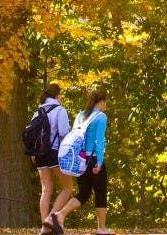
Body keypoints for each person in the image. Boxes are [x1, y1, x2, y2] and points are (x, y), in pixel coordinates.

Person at [46, 89, 114, 235]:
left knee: (84, 193)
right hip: (94, 158)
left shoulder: (80, 115)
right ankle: (101, 228)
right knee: (100, 192)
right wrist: (100, 162)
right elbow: (99, 140)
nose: (105, 105)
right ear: (101, 101)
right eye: (105, 102)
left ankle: (59, 215)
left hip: (80, 160)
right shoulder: (101, 117)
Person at [35, 84, 72, 235]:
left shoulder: (38, 112)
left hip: (39, 154)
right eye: (61, 95)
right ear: (57, 95)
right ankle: (50, 219)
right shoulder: (60, 110)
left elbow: (33, 136)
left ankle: (44, 228)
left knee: (46, 190)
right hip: (55, 152)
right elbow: (63, 133)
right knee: (68, 188)